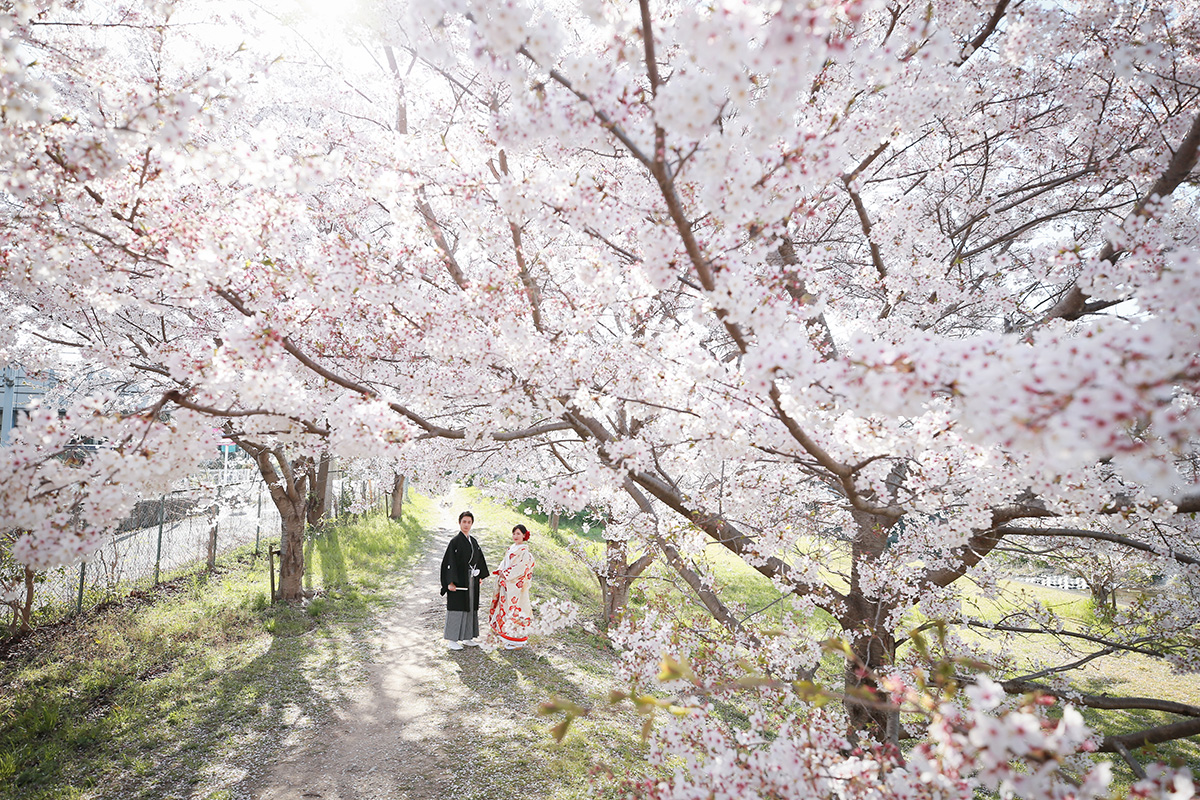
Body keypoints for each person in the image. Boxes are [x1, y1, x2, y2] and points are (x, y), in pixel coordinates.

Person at [441, 510, 490, 650]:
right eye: (464, 522)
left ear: (472, 524)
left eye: (469, 522)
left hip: (472, 580)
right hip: (459, 580)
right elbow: (449, 562)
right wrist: (450, 582)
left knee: (470, 607)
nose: (466, 525)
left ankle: (468, 637)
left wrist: (479, 575)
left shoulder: (473, 541)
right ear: (459, 523)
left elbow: (479, 558)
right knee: (457, 607)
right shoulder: (455, 542)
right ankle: (452, 639)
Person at [488, 523, 535, 649]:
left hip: (515, 586)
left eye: (518, 534)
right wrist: (501, 571)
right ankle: (505, 636)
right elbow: (504, 562)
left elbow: (522, 568)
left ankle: (516, 641)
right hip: (506, 583)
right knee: (504, 608)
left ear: (524, 535)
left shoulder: (525, 552)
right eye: (514, 533)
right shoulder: (511, 548)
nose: (515, 536)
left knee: (514, 610)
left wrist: (507, 574)